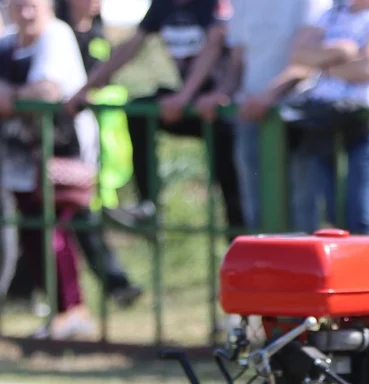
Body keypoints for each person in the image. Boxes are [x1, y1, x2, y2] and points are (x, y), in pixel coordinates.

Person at [65, 0, 246, 237]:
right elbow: (130, 47)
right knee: (140, 112)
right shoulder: (163, 5)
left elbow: (214, 45)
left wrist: (183, 97)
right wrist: (86, 88)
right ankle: (148, 206)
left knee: (233, 194)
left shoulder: (212, 4)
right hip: (191, 102)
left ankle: (244, 252)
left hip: (224, 108)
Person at [189, 0, 332, 231]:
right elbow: (238, 61)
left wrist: (270, 95)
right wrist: (221, 93)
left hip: (300, 118)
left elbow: (309, 59)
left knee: (302, 213)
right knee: (257, 212)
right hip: (252, 116)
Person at [0, 0, 98, 338]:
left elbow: (47, 90)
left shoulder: (56, 35)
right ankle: (60, 311)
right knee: (33, 234)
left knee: (54, 231)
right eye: (17, 5)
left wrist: (8, 98)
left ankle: (73, 310)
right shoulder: (8, 44)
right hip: (21, 158)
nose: (24, 13)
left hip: (62, 153)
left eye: (31, 5)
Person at [285, 0, 369, 235]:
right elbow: (298, 54)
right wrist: (342, 52)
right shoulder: (333, 13)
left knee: (362, 217)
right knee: (330, 217)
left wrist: (323, 64)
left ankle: (367, 272)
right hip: (325, 124)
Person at [52, 0, 143, 308]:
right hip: (58, 138)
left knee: (82, 213)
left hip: (94, 140)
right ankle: (114, 284)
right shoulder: (60, 35)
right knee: (72, 215)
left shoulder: (101, 36)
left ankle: (116, 284)